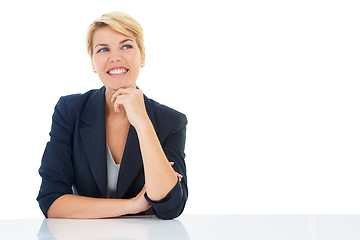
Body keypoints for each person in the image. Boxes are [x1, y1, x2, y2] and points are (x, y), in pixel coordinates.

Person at [36, 12, 188, 220]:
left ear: (143, 55)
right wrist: (133, 204)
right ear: (93, 61)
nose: (115, 57)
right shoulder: (70, 110)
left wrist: (143, 123)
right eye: (103, 49)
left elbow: (171, 207)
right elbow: (51, 202)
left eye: (126, 46)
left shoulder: (170, 121)